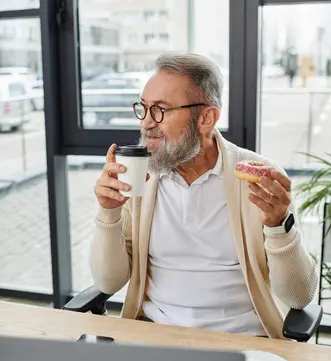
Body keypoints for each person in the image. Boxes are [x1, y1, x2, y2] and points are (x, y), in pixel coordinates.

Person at [90, 52, 317, 339]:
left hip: (242, 341)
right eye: (143, 108)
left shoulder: (260, 180)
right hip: (155, 336)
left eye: (160, 110)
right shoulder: (136, 177)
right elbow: (107, 283)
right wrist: (108, 211)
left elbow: (299, 297)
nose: (146, 123)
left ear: (206, 118)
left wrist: (278, 225)